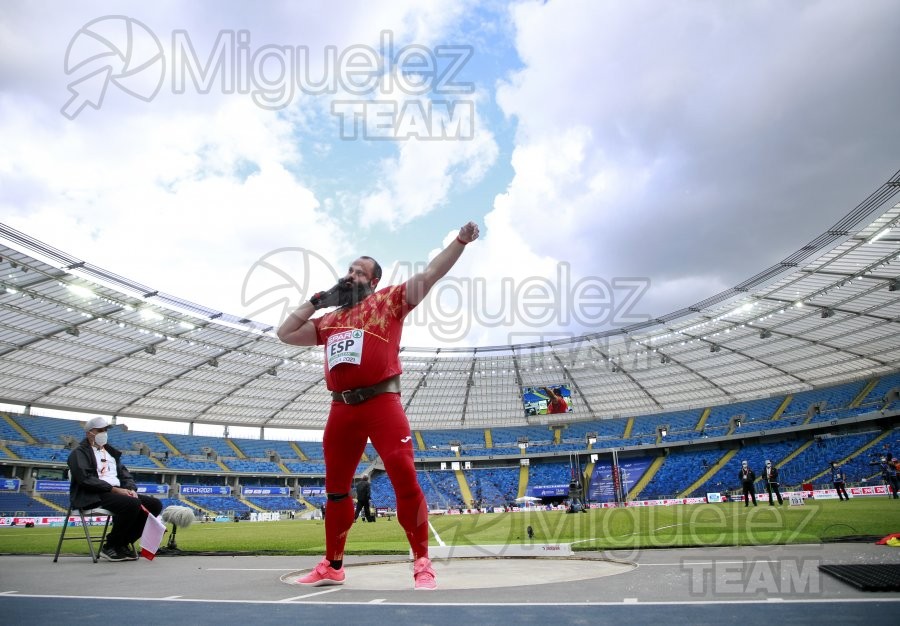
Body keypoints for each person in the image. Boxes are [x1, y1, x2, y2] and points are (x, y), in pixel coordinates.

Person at [278, 221, 480, 590]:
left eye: (360, 272)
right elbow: (285, 333)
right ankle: (333, 565)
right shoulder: (330, 320)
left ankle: (421, 561)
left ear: (372, 281)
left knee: (403, 474)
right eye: (349, 270)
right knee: (336, 489)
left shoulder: (387, 301)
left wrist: (460, 242)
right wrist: (317, 300)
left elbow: (431, 274)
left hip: (381, 402)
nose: (351, 275)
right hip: (341, 409)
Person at [66, 416, 163, 561]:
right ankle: (110, 545)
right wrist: (115, 490)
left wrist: (130, 489)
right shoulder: (79, 453)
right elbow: (85, 479)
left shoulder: (111, 453)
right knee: (132, 504)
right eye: (99, 430)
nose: (103, 433)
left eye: (105, 430)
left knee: (154, 505)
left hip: (117, 494)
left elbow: (125, 475)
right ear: (88, 433)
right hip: (93, 495)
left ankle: (122, 543)